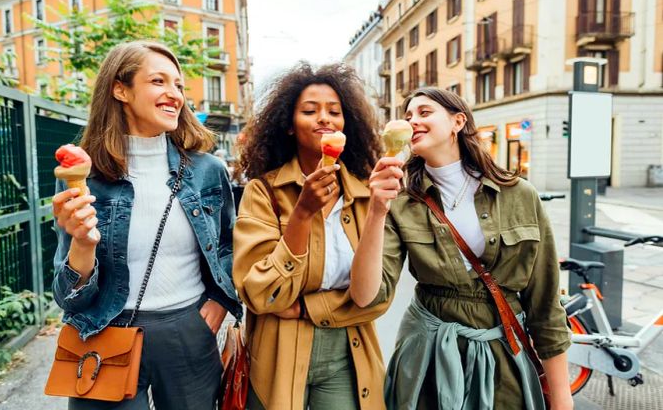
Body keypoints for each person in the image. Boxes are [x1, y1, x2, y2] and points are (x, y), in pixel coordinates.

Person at [350, 87, 573, 410]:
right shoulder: (400, 200)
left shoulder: (519, 195)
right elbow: (365, 295)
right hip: (426, 358)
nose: (413, 121)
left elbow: (545, 303)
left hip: (503, 360)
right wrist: (375, 211)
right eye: (408, 115)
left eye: (425, 113)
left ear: (458, 122)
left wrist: (561, 397)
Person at [51, 41, 241, 409]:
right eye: (158, 81)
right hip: (104, 331)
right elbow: (67, 295)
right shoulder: (83, 179)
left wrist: (220, 302)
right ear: (120, 89)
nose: (174, 95)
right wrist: (82, 244)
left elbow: (229, 249)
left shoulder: (207, 172)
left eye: (179, 85)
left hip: (189, 331)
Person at [233, 62, 402, 410]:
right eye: (310, 111)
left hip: (347, 352)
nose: (324, 118)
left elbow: (378, 296)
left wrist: (306, 307)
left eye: (334, 112)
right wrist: (303, 213)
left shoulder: (368, 195)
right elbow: (260, 294)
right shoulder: (263, 192)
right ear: (290, 126)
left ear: (346, 124)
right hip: (278, 354)